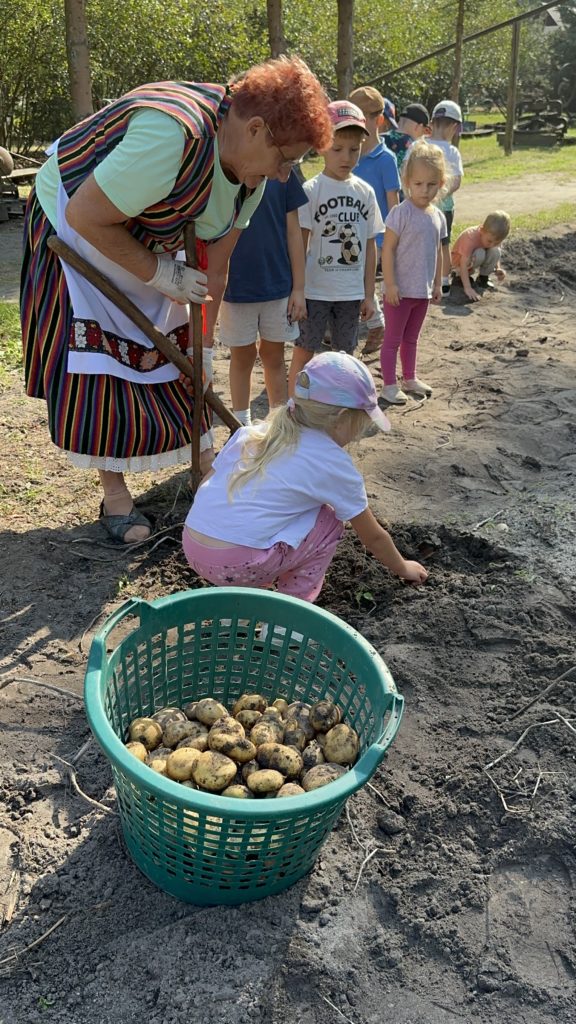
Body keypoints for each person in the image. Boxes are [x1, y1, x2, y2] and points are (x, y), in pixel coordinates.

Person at [20, 58, 332, 544]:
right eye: (286, 160)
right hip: (77, 225)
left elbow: (217, 268)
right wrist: (161, 273)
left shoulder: (250, 179)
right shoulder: (173, 136)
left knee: (178, 350)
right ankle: (116, 494)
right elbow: (86, 216)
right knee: (103, 354)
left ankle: (206, 467)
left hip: (144, 235)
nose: (283, 175)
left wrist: (202, 344)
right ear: (255, 130)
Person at [182, 351, 428, 603]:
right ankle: (291, 612)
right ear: (342, 418)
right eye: (360, 425)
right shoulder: (332, 462)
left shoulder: (252, 433)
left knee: (290, 507)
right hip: (238, 565)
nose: (358, 435)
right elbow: (372, 536)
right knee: (329, 522)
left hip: (193, 544)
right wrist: (403, 567)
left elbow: (206, 483)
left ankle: (249, 586)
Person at [288, 101, 385, 392]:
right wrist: (299, 291)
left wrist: (369, 295)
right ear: (321, 147)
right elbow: (300, 245)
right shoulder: (311, 190)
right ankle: (293, 407)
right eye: (338, 149)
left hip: (350, 293)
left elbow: (370, 247)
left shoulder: (365, 192)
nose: (347, 157)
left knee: (345, 357)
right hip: (315, 293)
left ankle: (338, 403)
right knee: (304, 351)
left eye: (354, 149)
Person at [218, 173, 308, 426]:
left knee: (274, 355)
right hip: (234, 287)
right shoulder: (226, 170)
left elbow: (294, 233)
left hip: (277, 285)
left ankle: (276, 423)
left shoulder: (283, 174)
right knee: (242, 355)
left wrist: (298, 288)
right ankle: (240, 424)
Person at [380, 141, 447, 406]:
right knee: (392, 340)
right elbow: (387, 250)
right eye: (418, 184)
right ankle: (388, 385)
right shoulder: (400, 213)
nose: (424, 190)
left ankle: (410, 378)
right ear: (407, 181)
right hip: (399, 292)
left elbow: (439, 251)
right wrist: (390, 283)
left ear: (440, 183)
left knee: (412, 338)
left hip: (422, 291)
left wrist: (439, 283)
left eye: (431, 184)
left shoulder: (438, 216)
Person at [348, 86, 401, 356]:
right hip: (348, 234)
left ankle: (376, 323)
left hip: (377, 237)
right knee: (349, 278)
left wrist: (391, 242)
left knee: (361, 280)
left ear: (378, 120)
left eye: (363, 118)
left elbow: (394, 204)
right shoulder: (349, 157)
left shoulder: (386, 160)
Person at [426, 100, 464, 296]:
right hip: (445, 206)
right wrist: (439, 193)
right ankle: (443, 282)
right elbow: (456, 181)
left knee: (420, 241)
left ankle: (423, 279)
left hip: (420, 205)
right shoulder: (452, 151)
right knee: (444, 243)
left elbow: (405, 172)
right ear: (454, 127)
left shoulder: (419, 145)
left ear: (432, 123)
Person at [450, 211, 511, 302]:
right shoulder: (470, 237)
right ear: (482, 230)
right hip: (458, 264)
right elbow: (463, 263)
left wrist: (497, 268)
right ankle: (459, 278)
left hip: (473, 259)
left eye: (497, 242)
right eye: (489, 241)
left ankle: (483, 278)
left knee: (495, 251)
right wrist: (468, 288)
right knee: (480, 253)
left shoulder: (494, 239)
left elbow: (494, 249)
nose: (492, 244)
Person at [383, 103, 430, 178]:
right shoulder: (416, 149)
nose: (423, 135)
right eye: (424, 130)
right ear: (418, 127)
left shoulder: (380, 138)